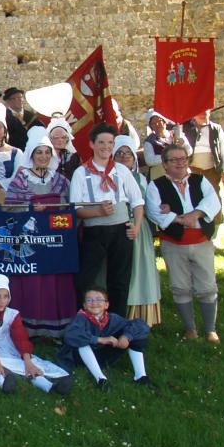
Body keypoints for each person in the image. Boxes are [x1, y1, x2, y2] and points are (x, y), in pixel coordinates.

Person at [145, 142, 222, 343]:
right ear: (165, 164)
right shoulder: (156, 185)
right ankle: (190, 329)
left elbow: (212, 202)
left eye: (183, 159)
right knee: (180, 286)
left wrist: (195, 214)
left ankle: (210, 329)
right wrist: (180, 219)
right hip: (174, 244)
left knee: (207, 285)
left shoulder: (200, 180)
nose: (180, 163)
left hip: (201, 241)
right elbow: (153, 210)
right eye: (174, 160)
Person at [2, 128, 76, 336]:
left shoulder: (61, 180)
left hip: (54, 241)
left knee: (55, 281)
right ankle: (28, 327)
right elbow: (9, 207)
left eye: (46, 152)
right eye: (39, 152)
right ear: (31, 155)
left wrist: (55, 212)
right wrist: (30, 208)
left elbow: (70, 208)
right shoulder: (22, 179)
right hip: (29, 240)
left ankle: (56, 328)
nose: (43, 156)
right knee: (32, 282)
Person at [71, 123, 145, 317]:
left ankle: (116, 323)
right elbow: (76, 209)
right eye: (101, 142)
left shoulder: (121, 171)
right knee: (85, 280)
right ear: (92, 144)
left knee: (119, 280)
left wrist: (136, 227)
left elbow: (137, 202)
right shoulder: (81, 172)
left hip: (121, 230)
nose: (106, 147)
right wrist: (98, 212)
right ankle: (87, 322)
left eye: (110, 143)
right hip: (94, 232)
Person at [0, 274, 74, 395]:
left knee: (25, 365)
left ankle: (49, 386)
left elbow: (20, 337)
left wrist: (28, 362)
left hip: (6, 346)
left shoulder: (12, 314)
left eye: (5, 296)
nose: (2, 301)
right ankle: (3, 382)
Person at [59, 286, 155, 390]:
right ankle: (100, 378)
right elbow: (71, 335)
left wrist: (126, 337)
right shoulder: (81, 319)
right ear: (85, 305)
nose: (94, 303)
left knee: (136, 334)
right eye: (89, 300)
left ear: (106, 305)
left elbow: (140, 325)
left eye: (99, 299)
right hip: (80, 358)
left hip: (103, 356)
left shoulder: (112, 318)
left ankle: (140, 376)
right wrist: (100, 340)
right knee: (82, 342)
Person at [111, 136, 162, 327]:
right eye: (119, 153)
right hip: (117, 228)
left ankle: (141, 316)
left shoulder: (141, 178)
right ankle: (120, 313)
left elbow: (150, 204)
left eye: (128, 154)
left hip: (139, 230)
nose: (124, 157)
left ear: (134, 158)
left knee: (141, 271)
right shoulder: (109, 177)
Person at [183, 110, 224, 232]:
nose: (202, 114)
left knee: (215, 197)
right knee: (193, 198)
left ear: (209, 112)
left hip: (212, 170)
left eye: (205, 111)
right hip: (192, 169)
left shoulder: (216, 128)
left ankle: (215, 231)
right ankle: (194, 228)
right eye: (199, 111)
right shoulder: (186, 128)